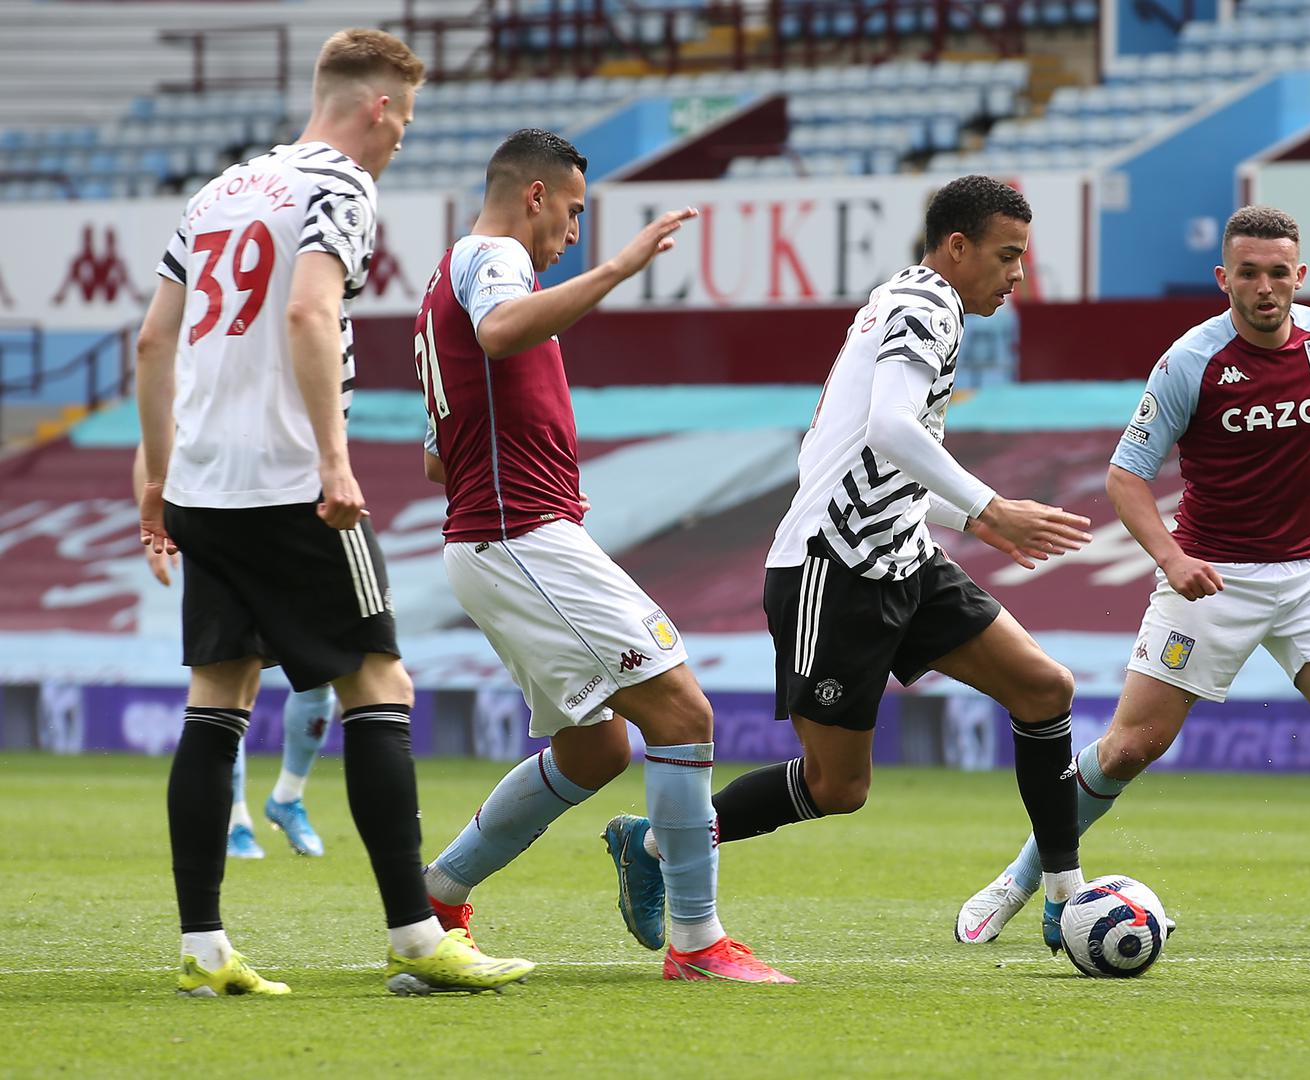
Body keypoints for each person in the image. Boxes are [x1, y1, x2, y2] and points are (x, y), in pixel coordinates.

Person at [956, 206, 1310, 951]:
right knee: (1128, 748)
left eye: (1277, 273)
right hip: (1211, 575)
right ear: (1223, 279)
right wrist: (1173, 559)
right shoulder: (1190, 360)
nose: (1264, 287)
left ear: (1299, 277)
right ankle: (1019, 879)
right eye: (1247, 273)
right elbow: (1125, 478)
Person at [134, 28, 532, 997]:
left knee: (217, 697)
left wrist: (153, 481)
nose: (399, 142)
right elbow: (313, 312)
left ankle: (203, 947)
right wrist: (334, 459)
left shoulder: (216, 192)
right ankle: (413, 931)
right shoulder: (340, 186)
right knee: (378, 682)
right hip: (290, 485)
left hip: (202, 486)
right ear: (380, 108)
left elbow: (154, 343)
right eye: (405, 121)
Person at [620, 175, 1096, 952]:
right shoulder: (923, 305)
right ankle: (650, 843)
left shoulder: (904, 300)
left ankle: (1063, 893)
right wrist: (987, 510)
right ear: (956, 247)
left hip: (900, 558)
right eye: (1007, 256)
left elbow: (848, 454)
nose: (1017, 275)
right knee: (837, 787)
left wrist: (962, 516)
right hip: (831, 569)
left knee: (1044, 689)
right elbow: (889, 428)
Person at [413, 129, 788, 983]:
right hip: (520, 535)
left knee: (596, 751)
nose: (575, 231)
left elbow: (438, 456)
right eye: (573, 209)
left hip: (494, 536)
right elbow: (504, 330)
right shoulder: (492, 259)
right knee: (682, 715)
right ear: (535, 194)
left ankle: (437, 898)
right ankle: (697, 944)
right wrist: (618, 271)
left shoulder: (443, 281)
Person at [135, 445, 334, 859]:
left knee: (322, 671)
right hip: (218, 523)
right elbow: (150, 441)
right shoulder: (196, 383)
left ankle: (287, 798)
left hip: (295, 520)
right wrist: (152, 523)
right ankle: (235, 821)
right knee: (228, 677)